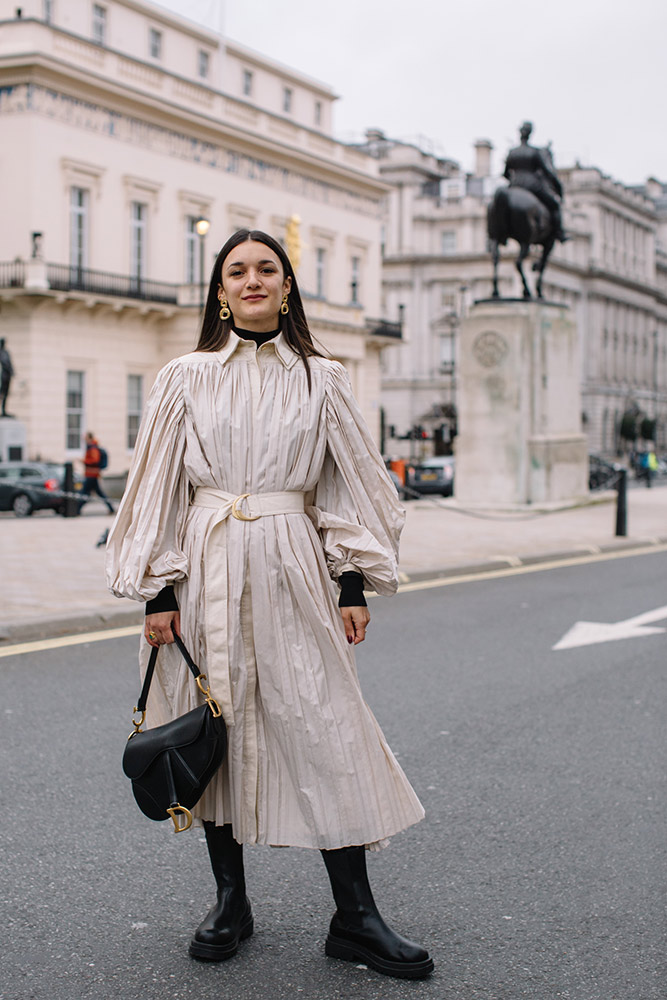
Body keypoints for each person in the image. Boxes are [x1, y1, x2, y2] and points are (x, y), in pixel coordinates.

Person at [105, 229, 433, 980]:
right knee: (212, 725)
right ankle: (231, 901)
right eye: (237, 271)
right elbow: (156, 483)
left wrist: (351, 582)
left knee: (324, 723)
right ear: (220, 291)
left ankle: (355, 915)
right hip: (205, 567)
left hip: (292, 563)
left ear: (287, 287)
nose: (252, 279)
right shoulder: (183, 376)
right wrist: (157, 591)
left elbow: (352, 483)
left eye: (267, 269)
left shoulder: (324, 379)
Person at [504, 121, 567, 242]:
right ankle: (559, 232)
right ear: (530, 134)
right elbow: (547, 172)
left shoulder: (512, 152)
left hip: (514, 186)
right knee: (554, 205)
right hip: (532, 186)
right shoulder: (535, 152)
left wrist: (514, 181)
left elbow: (505, 174)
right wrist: (558, 188)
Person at [81, 432, 114, 513]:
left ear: (89, 438)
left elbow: (95, 460)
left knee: (84, 493)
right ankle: (111, 508)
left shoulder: (92, 448)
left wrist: (84, 461)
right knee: (96, 493)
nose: (84, 439)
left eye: (86, 438)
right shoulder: (91, 447)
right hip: (92, 474)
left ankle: (76, 509)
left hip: (91, 474)